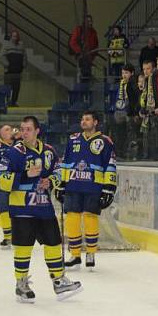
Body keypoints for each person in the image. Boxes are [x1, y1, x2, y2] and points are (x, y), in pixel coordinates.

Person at [0, 116, 82, 303]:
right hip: (22, 208)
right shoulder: (14, 152)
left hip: (44, 207)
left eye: (27, 129)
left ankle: (58, 281)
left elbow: (59, 172)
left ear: (37, 131)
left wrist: (50, 181)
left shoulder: (49, 151)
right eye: (21, 129)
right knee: (23, 247)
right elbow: (1, 178)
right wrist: (24, 176)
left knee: (53, 243)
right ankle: (21, 284)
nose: (23, 132)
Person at [54, 111, 117, 269]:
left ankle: (90, 253)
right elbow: (65, 163)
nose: (83, 121)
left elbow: (110, 166)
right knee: (72, 218)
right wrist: (61, 184)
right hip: (73, 186)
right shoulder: (73, 139)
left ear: (95, 122)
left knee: (90, 217)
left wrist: (108, 189)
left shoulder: (105, 141)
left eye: (87, 119)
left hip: (93, 186)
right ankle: (75, 255)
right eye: (82, 119)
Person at [112, 64, 139, 159]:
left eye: (126, 73)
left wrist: (134, 112)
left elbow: (135, 99)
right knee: (120, 133)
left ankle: (132, 154)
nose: (124, 75)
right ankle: (120, 153)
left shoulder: (134, 83)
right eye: (123, 73)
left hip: (129, 112)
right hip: (119, 111)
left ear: (132, 73)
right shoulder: (121, 83)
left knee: (131, 134)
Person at [0, 30, 28, 107]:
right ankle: (8, 102)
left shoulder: (21, 46)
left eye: (16, 36)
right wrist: (8, 64)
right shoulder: (6, 45)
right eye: (13, 36)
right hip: (9, 71)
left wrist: (23, 65)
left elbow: (25, 57)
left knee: (16, 88)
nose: (15, 38)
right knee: (8, 87)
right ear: (11, 37)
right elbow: (1, 56)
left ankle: (14, 102)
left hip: (18, 71)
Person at [69, 15, 99, 81]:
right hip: (82, 55)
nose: (90, 23)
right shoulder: (79, 30)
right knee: (84, 73)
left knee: (87, 73)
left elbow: (96, 44)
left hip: (89, 57)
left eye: (91, 21)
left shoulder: (93, 32)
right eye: (88, 21)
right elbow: (73, 42)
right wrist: (80, 51)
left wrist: (92, 55)